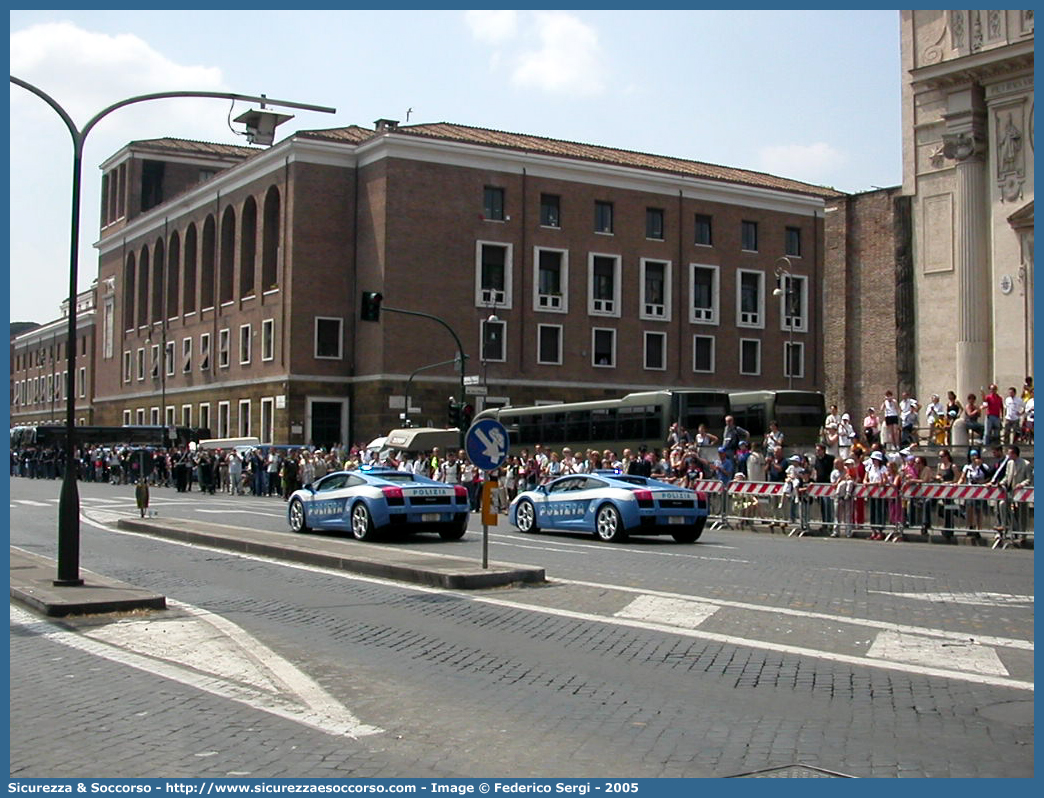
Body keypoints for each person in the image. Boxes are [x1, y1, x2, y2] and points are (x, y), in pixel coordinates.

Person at [958, 449, 989, 531]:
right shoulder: (967, 467)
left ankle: (979, 528)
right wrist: (958, 484)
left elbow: (988, 477)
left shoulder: (984, 466)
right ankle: (971, 526)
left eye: (975, 455)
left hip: (980, 491)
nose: (974, 458)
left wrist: (981, 482)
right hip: (970, 490)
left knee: (979, 510)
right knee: (969, 508)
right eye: (972, 456)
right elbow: (962, 477)